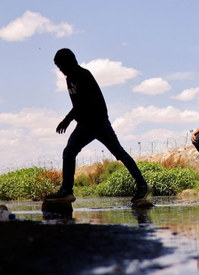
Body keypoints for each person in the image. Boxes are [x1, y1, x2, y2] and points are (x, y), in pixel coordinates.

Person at [45, 48, 151, 204]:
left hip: (98, 122)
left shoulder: (83, 75)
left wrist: (67, 120)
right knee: (69, 152)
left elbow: (82, 103)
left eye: (61, 66)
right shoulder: (70, 79)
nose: (60, 70)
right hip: (84, 124)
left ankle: (142, 185)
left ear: (70, 62)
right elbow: (77, 104)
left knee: (119, 153)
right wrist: (72, 120)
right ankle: (66, 191)